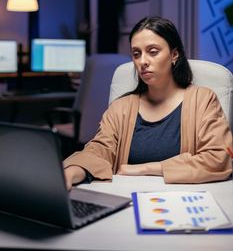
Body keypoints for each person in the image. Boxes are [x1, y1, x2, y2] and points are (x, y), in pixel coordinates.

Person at [64, 16, 233, 189]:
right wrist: (75, 169)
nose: (142, 61)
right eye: (136, 54)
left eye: (153, 51)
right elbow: (99, 149)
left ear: (174, 54)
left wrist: (146, 168)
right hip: (126, 199)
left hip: (183, 200)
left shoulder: (203, 100)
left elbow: (219, 158)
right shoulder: (121, 107)